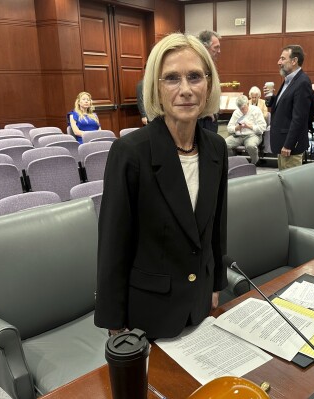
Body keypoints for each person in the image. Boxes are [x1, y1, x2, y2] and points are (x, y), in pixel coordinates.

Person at [95, 33, 227, 340]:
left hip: (200, 304)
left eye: (195, 76)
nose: (185, 90)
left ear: (208, 84)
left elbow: (216, 227)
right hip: (149, 313)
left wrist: (216, 283)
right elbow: (113, 245)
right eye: (171, 78)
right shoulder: (130, 152)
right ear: (156, 87)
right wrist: (115, 323)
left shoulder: (216, 147)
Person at [265, 44, 314, 170]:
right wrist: (271, 98)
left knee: (291, 184)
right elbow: (285, 106)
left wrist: (289, 145)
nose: (279, 62)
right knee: (283, 180)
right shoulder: (289, 80)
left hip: (290, 146)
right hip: (283, 142)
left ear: (294, 61)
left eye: (283, 59)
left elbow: (299, 117)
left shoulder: (302, 82)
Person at [225, 95, 267, 164]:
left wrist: (250, 126)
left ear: (248, 104)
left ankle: (254, 162)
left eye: (244, 108)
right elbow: (229, 128)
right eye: (240, 109)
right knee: (224, 144)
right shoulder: (236, 112)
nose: (243, 111)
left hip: (253, 135)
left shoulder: (256, 110)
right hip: (238, 136)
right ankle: (233, 161)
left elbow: (263, 127)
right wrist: (236, 128)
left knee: (251, 146)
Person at [198, 30, 221, 133]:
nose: (219, 51)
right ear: (205, 47)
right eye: (216, 47)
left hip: (210, 115)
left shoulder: (208, 64)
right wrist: (204, 109)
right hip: (203, 118)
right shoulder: (198, 65)